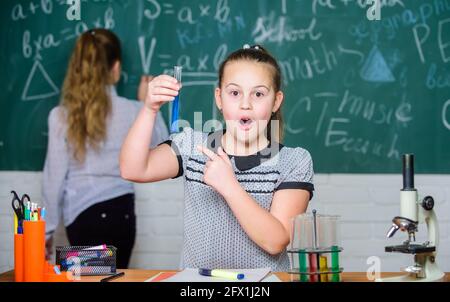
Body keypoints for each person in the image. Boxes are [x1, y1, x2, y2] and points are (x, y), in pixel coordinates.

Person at [120, 44, 314, 271]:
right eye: (234, 93)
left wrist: (229, 186)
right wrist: (149, 109)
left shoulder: (294, 161)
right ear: (219, 99)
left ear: (276, 101)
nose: (245, 104)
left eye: (259, 94)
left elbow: (275, 241)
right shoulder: (192, 146)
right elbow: (132, 169)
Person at [42, 28, 168, 268]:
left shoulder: (60, 116)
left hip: (81, 218)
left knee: (89, 279)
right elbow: (162, 147)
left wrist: (45, 232)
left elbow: (53, 179)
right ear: (116, 68)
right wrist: (149, 108)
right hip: (121, 215)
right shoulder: (134, 110)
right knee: (115, 278)